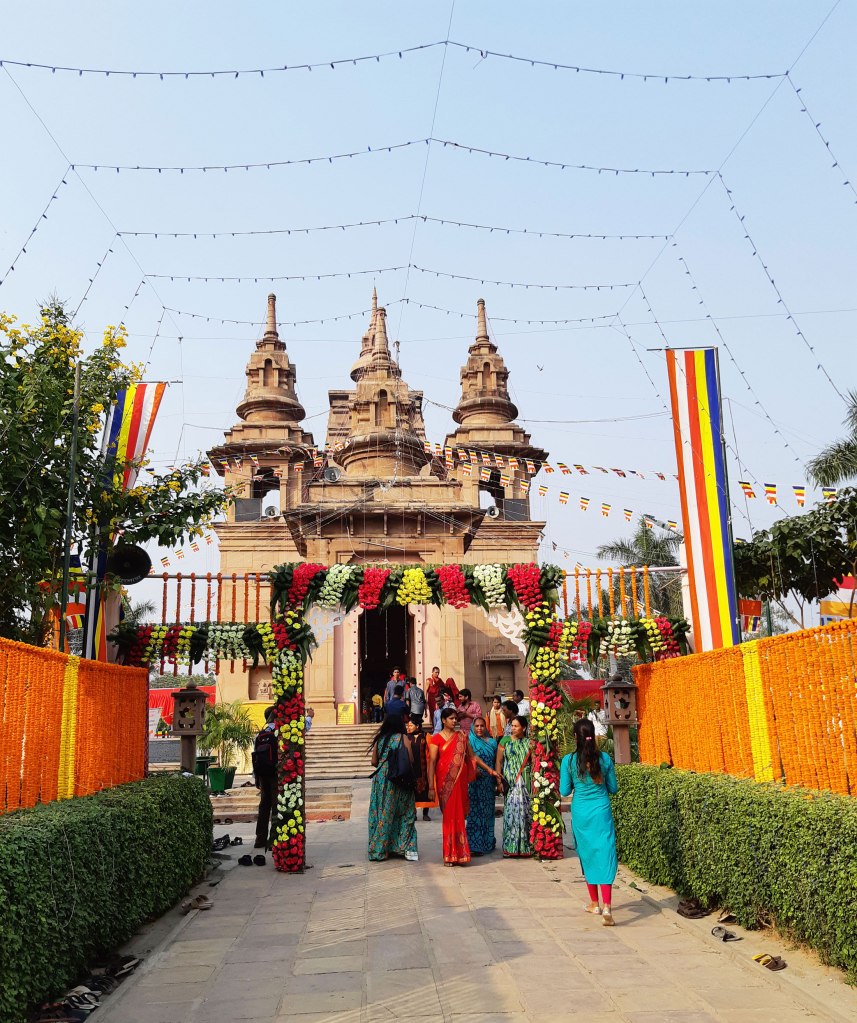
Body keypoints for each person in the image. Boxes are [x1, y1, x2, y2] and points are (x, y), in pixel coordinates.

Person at [560, 717, 618, 925]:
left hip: (582, 813)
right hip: (601, 811)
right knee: (605, 852)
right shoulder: (604, 759)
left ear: (576, 737)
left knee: (587, 854)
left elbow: (565, 790)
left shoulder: (568, 761)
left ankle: (594, 903)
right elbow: (613, 788)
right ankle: (608, 906)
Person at [427, 707, 497, 865]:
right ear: (443, 720)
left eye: (455, 718)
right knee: (449, 818)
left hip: (460, 783)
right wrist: (431, 786)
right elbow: (431, 763)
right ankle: (449, 854)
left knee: (458, 817)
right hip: (445, 784)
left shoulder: (462, 737)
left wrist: (490, 770)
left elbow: (473, 757)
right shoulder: (436, 739)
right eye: (451, 718)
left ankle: (460, 853)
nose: (454, 721)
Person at [368, 714, 419, 862]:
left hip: (382, 779)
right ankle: (407, 849)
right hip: (400, 779)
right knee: (405, 812)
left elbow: (373, 761)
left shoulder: (380, 739)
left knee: (383, 813)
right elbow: (410, 759)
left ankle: (380, 849)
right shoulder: (403, 738)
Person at [495, 715, 533, 858]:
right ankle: (510, 846)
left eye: (516, 726)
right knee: (511, 814)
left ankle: (525, 847)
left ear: (523, 728)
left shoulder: (529, 743)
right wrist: (499, 781)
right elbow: (499, 762)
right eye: (512, 726)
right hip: (510, 783)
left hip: (524, 782)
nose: (513, 728)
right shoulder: (504, 741)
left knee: (525, 814)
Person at [466, 716, 498, 855]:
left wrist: (497, 781)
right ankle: (474, 845)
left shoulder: (492, 743)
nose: (479, 728)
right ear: (473, 727)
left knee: (487, 812)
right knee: (474, 812)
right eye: (477, 726)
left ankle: (487, 842)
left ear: (486, 727)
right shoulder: (469, 741)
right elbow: (466, 760)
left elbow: (497, 761)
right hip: (474, 781)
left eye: (482, 726)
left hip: (488, 782)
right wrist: (473, 770)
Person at [251, 707, 278, 849]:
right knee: (276, 806)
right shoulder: (278, 733)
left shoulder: (260, 735)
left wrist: (256, 778)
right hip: (275, 775)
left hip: (262, 775)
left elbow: (255, 756)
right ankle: (274, 839)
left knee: (263, 807)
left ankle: (259, 839)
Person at [404, 716, 436, 821]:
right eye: (408, 725)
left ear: (417, 726)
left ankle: (425, 813)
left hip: (423, 769)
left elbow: (431, 752)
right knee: (412, 791)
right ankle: (413, 813)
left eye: (411, 725)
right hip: (411, 768)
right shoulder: (406, 737)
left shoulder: (426, 736)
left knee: (425, 790)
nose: (408, 727)